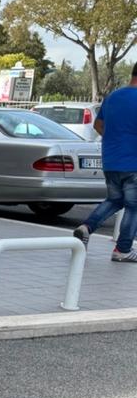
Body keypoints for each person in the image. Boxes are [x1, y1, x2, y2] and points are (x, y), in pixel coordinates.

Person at [74, 68, 137, 262]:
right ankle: (122, 249)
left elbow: (98, 125)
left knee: (114, 200)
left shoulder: (113, 97)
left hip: (111, 160)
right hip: (133, 163)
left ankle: (86, 228)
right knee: (134, 207)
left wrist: (115, 141)